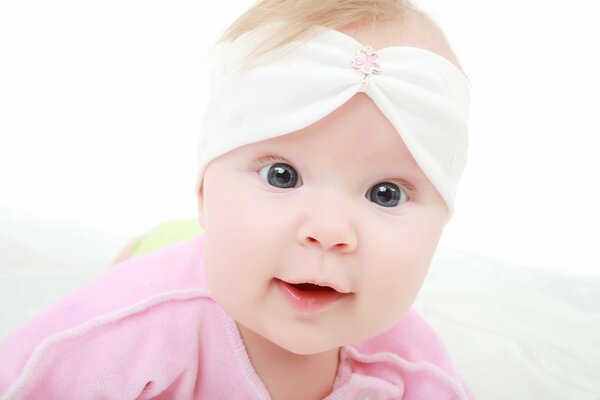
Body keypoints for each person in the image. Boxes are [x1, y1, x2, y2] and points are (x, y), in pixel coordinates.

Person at [0, 0, 475, 398]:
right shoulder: (117, 333)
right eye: (282, 175)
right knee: (144, 259)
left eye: (385, 194)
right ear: (205, 192)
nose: (329, 230)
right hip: (168, 265)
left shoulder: (417, 372)